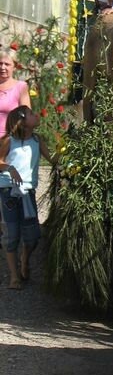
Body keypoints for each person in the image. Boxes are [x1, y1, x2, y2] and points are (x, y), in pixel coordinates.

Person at [0, 105, 52, 290]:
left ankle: (25, 258)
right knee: (12, 234)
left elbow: (53, 160)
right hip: (8, 192)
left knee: (32, 237)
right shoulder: (9, 141)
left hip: (27, 193)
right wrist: (10, 168)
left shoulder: (38, 140)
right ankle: (14, 276)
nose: (36, 115)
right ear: (21, 120)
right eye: (31, 114)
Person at [0, 49, 31, 136]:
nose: (2, 67)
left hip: (9, 140)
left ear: (14, 66)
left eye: (7, 64)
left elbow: (26, 116)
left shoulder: (21, 87)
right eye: (0, 63)